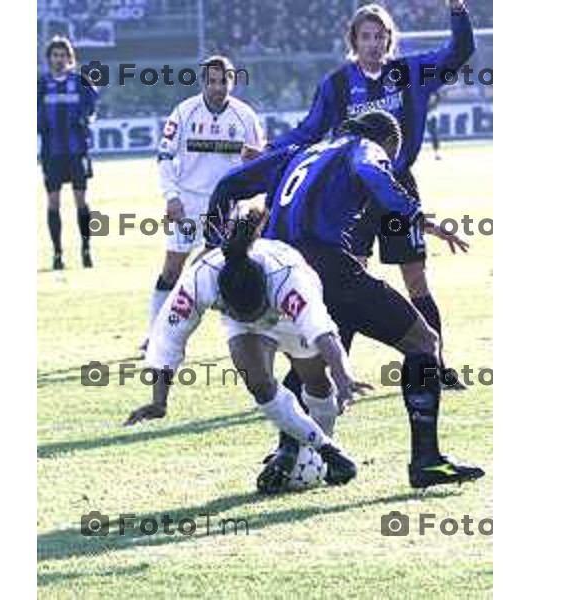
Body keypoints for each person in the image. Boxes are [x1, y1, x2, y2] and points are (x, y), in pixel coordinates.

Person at [205, 110, 484, 489]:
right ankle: (426, 461)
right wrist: (415, 213)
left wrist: (215, 245)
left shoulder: (301, 151)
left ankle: (287, 454)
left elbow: (228, 184)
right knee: (423, 342)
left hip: (277, 270)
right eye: (392, 154)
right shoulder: (365, 146)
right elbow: (373, 173)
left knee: (314, 354)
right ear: (386, 141)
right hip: (323, 263)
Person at [266, 1, 475, 386]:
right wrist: (268, 151)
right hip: (353, 193)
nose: (374, 44)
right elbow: (309, 132)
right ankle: (326, 373)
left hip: (395, 185)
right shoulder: (337, 84)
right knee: (349, 280)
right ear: (354, 40)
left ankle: (436, 365)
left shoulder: (410, 72)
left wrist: (458, 10)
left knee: (416, 279)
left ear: (389, 39)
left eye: (380, 36)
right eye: (366, 37)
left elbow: (459, 53)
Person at [125, 225, 367, 494]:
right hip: (244, 317)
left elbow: (323, 333)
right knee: (258, 383)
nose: (251, 320)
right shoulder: (201, 278)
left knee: (316, 383)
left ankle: (321, 448)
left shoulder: (289, 281)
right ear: (224, 301)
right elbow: (167, 338)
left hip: (287, 318)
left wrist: (344, 377)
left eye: (253, 313)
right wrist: (159, 400)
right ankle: (328, 450)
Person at [144, 55, 265, 351]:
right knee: (172, 269)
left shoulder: (245, 116)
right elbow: (164, 157)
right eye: (212, 81)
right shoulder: (184, 113)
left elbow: (261, 159)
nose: (217, 87)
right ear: (203, 82)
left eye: (223, 81)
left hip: (225, 205)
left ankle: (246, 332)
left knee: (220, 267)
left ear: (232, 81)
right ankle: (154, 334)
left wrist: (256, 158)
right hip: (187, 202)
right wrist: (171, 197)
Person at [37, 36, 98, 270]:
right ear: (49, 58)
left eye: (63, 55)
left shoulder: (80, 81)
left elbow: (93, 105)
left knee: (81, 200)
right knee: (53, 202)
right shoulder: (41, 84)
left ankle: (86, 249)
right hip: (52, 153)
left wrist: (84, 120)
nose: (59, 59)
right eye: (55, 55)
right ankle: (57, 254)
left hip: (77, 152)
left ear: (69, 58)